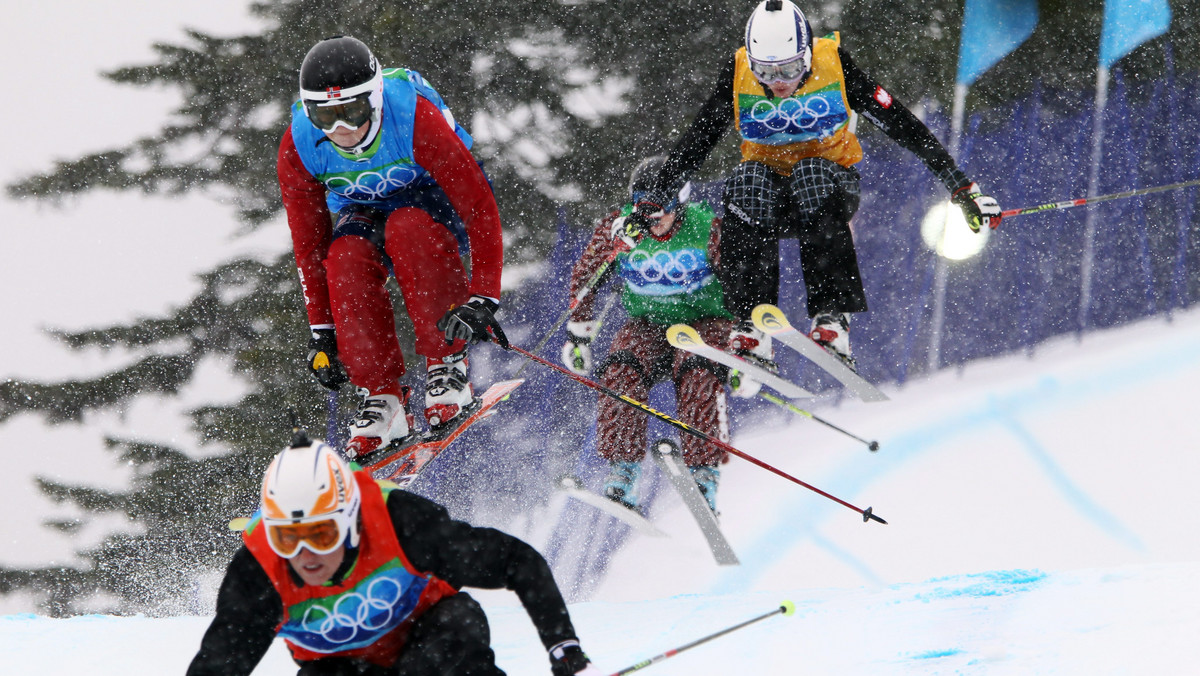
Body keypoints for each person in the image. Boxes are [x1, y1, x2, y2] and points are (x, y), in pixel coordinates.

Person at [626, 0, 1001, 379]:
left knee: (811, 172)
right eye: (765, 71)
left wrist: (960, 186)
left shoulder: (835, 65)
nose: (779, 82)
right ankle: (752, 323)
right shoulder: (737, 74)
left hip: (829, 187)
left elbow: (901, 124)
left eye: (789, 68)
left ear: (806, 55)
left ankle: (832, 316)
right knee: (744, 181)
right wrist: (659, 195)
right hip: (768, 196)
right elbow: (698, 139)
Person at [187, 435, 598, 676]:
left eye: (321, 534)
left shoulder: (398, 520)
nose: (305, 555)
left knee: (450, 634)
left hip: (433, 637)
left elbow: (516, 561)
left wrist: (561, 642)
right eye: (287, 538)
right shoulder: (259, 570)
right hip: (340, 667)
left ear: (350, 521)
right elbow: (220, 661)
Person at [279, 35, 508, 459]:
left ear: (376, 100)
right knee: (344, 258)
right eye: (324, 117)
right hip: (364, 207)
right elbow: (308, 247)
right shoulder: (300, 145)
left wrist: (484, 296)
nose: (341, 130)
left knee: (408, 228)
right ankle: (382, 397)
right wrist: (323, 332)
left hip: (432, 200)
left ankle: (447, 368)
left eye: (351, 111)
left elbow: (479, 208)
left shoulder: (412, 117)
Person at [561, 157, 732, 514]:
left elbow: (741, 279)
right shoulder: (619, 227)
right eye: (644, 212)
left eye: (662, 211)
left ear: (679, 203)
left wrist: (748, 339)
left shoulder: (705, 226)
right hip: (650, 322)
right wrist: (579, 332)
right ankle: (623, 470)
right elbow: (586, 276)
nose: (653, 222)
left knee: (696, 370)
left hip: (704, 321)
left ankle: (704, 473)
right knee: (621, 368)